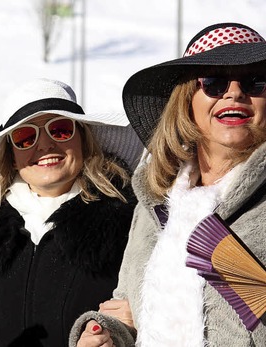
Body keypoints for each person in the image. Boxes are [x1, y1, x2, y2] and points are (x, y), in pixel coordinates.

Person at [71, 22, 266, 347]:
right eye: (213, 82)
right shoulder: (153, 206)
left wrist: (226, 262)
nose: (235, 92)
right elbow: (127, 309)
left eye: (256, 81)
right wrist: (107, 334)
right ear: (186, 102)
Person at [0, 78, 144, 347]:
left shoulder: (130, 223)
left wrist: (139, 321)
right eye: (25, 137)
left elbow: (179, 318)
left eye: (59, 129)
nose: (45, 145)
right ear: (12, 155)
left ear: (83, 139)